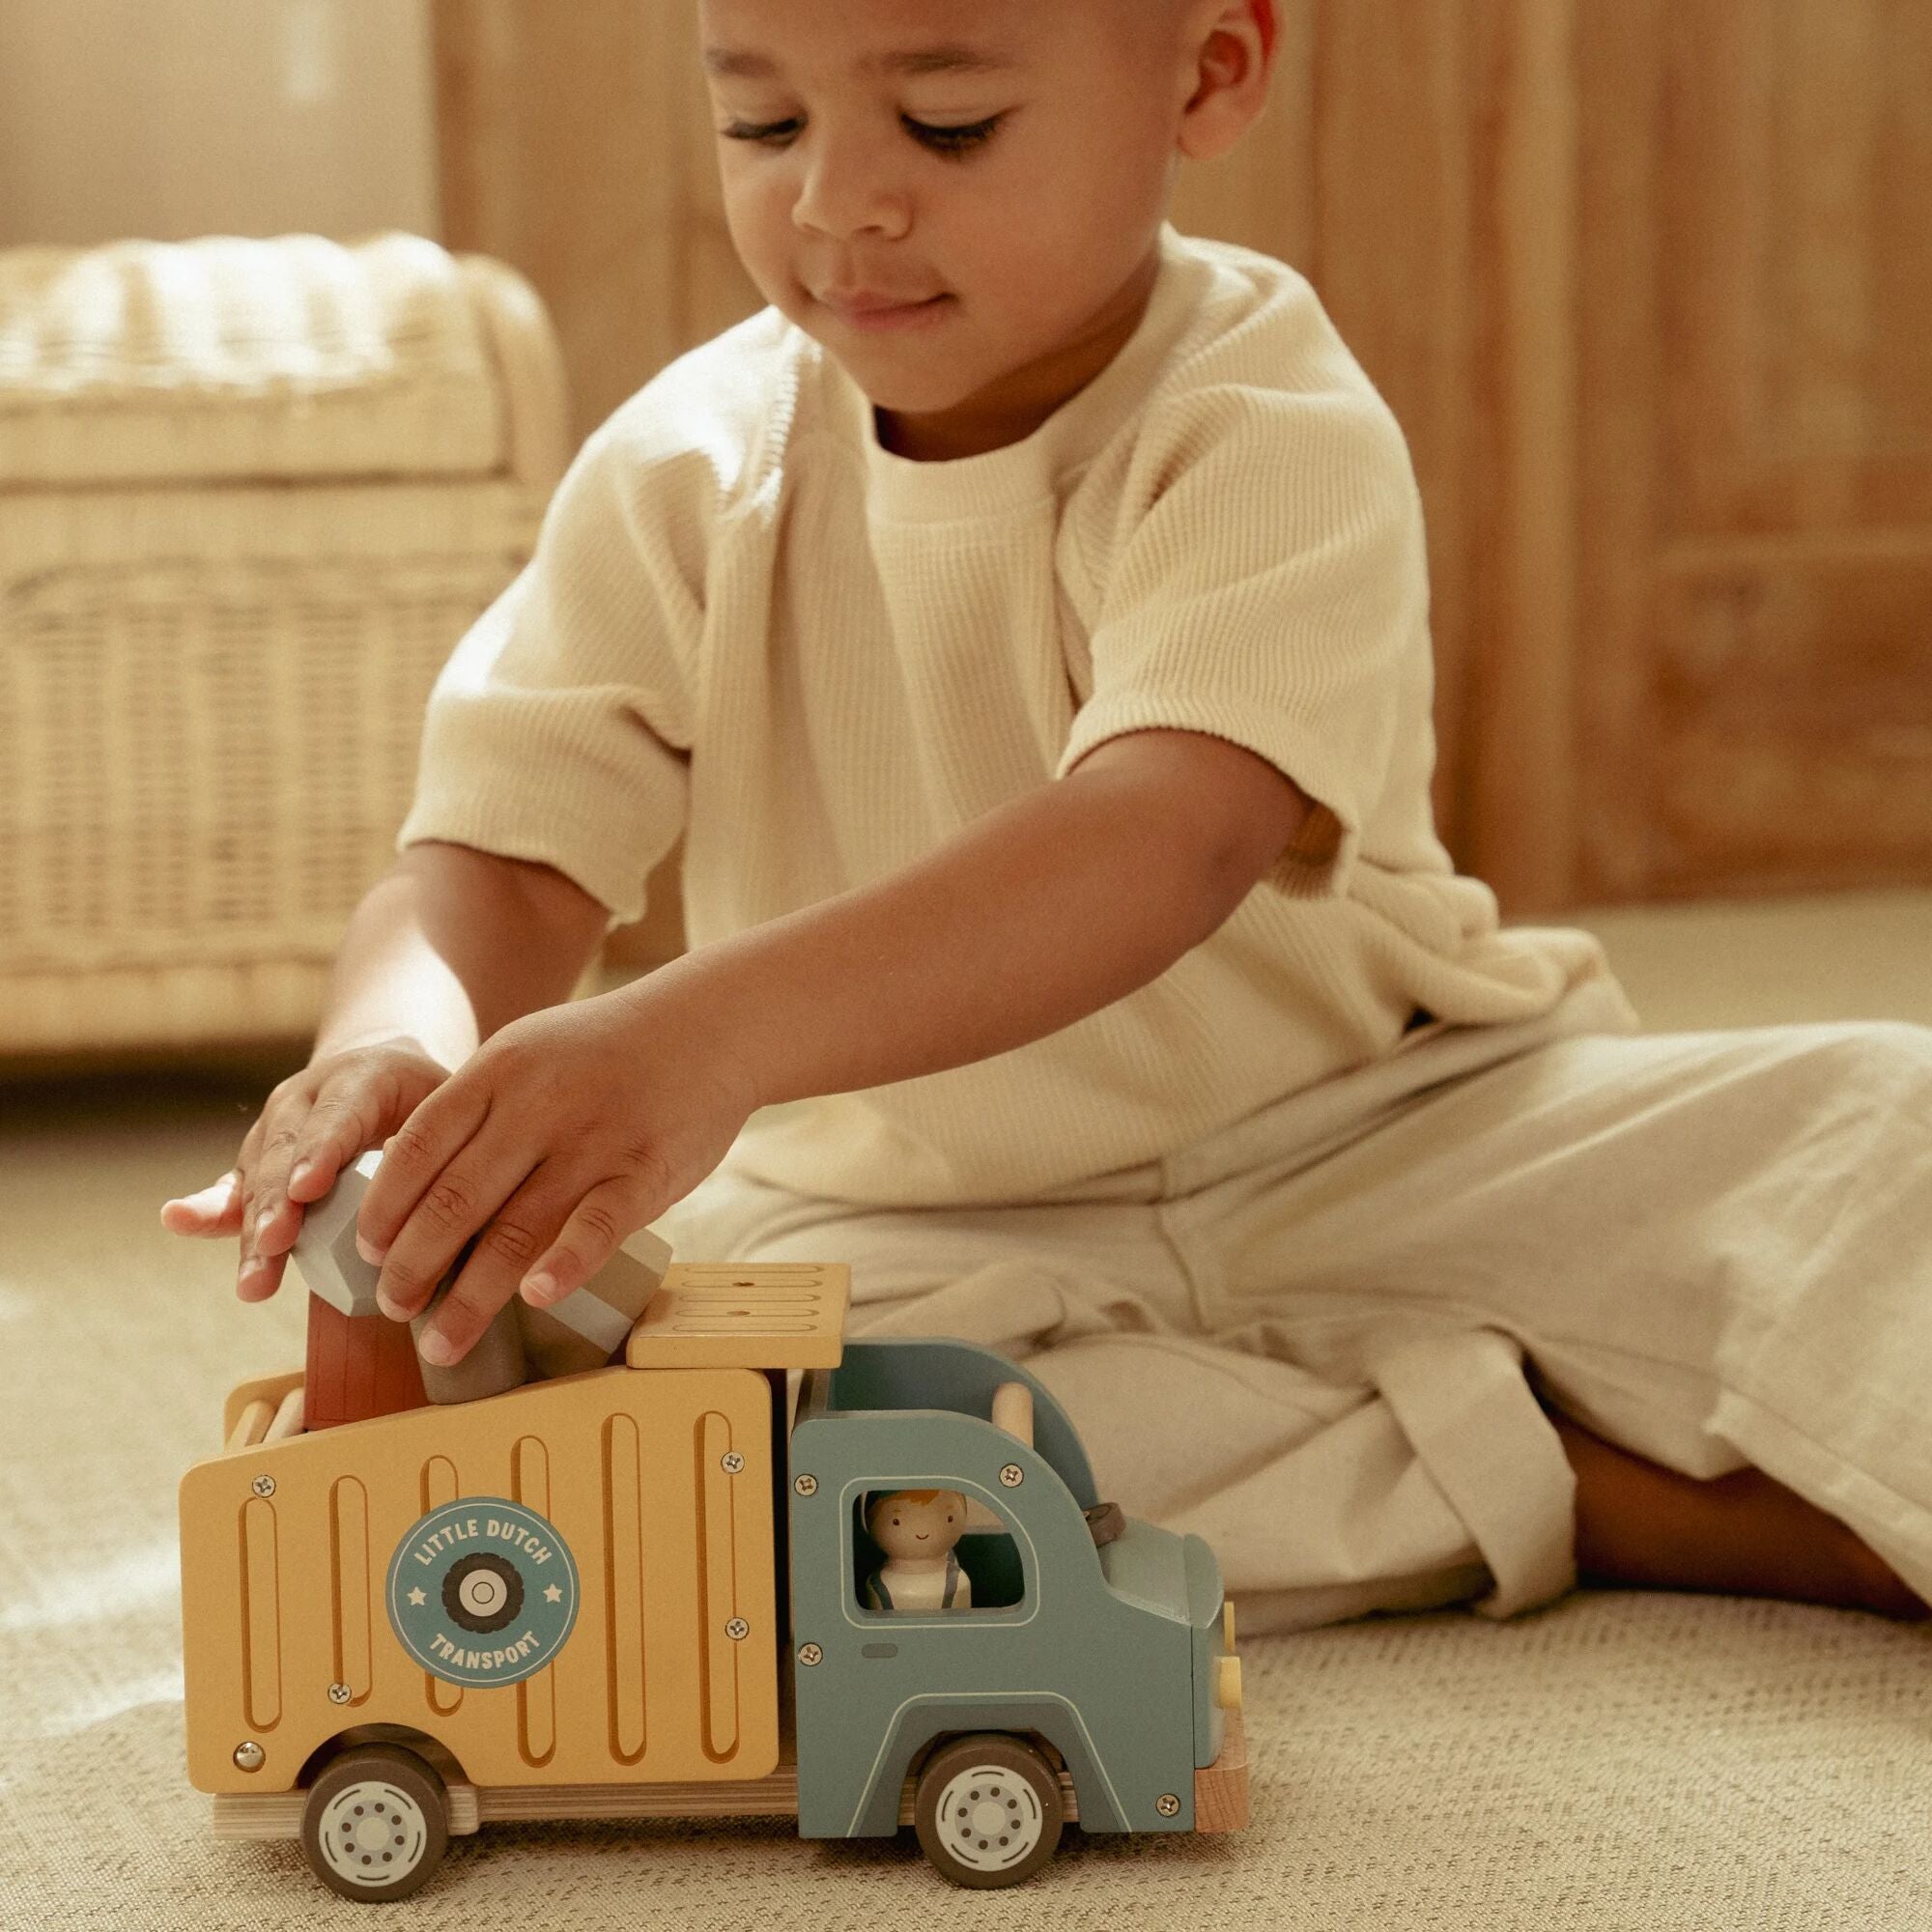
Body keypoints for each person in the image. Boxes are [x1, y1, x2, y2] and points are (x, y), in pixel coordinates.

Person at [163, 0, 1932, 1636]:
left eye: (948, 125)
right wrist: (395, 1048)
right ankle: (1583, 1488)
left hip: (1383, 1128)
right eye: (763, 120)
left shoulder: (1263, 422)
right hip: (909, 1225)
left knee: (1881, 1124)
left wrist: (698, 1035)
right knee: (712, 1454)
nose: (840, 205)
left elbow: (1164, 837)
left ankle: (1454, 1407)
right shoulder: (683, 470)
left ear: (1209, 72)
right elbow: (493, 854)